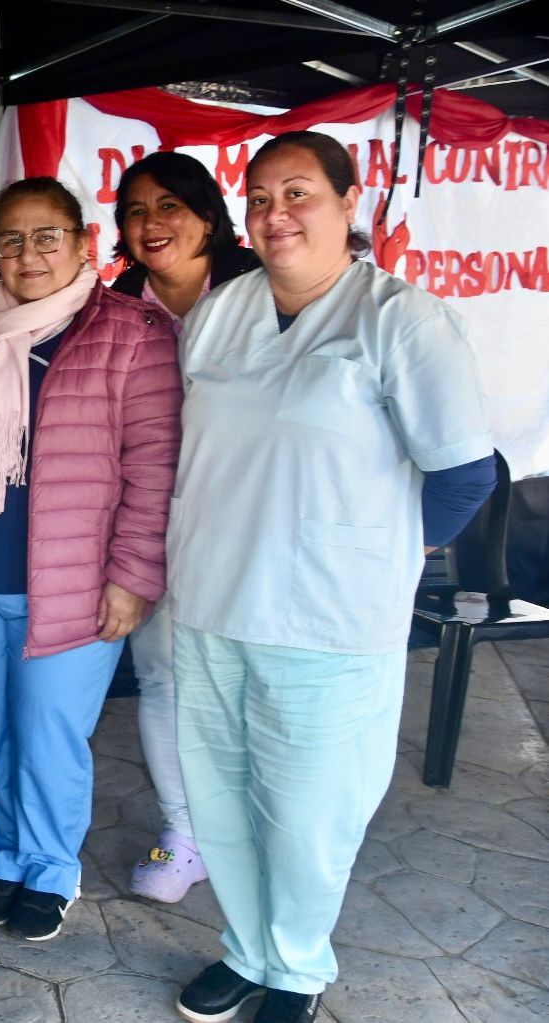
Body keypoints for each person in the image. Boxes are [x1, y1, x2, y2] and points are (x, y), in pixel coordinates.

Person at [170, 131, 495, 1023]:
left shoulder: (399, 318)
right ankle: (244, 948)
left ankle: (297, 971)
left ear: (350, 205)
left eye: (300, 193)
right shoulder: (221, 312)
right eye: (263, 197)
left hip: (328, 620)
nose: (278, 214)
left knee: (309, 818)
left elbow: (467, 471)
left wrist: (383, 554)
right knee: (223, 797)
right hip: (209, 600)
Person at [0, 177, 181, 942]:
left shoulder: (132, 332)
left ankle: (51, 869)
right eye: (13, 239)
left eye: (47, 236)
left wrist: (133, 577)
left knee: (51, 735)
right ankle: (3, 858)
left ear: (84, 240)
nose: (29, 253)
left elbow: (154, 468)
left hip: (72, 586)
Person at [109, 151, 260, 904]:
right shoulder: (115, 307)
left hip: (251, 526)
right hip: (153, 524)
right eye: (135, 210)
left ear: (208, 215)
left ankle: (257, 828)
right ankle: (185, 836)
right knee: (166, 677)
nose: (152, 223)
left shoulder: (260, 291)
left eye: (169, 205)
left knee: (248, 680)